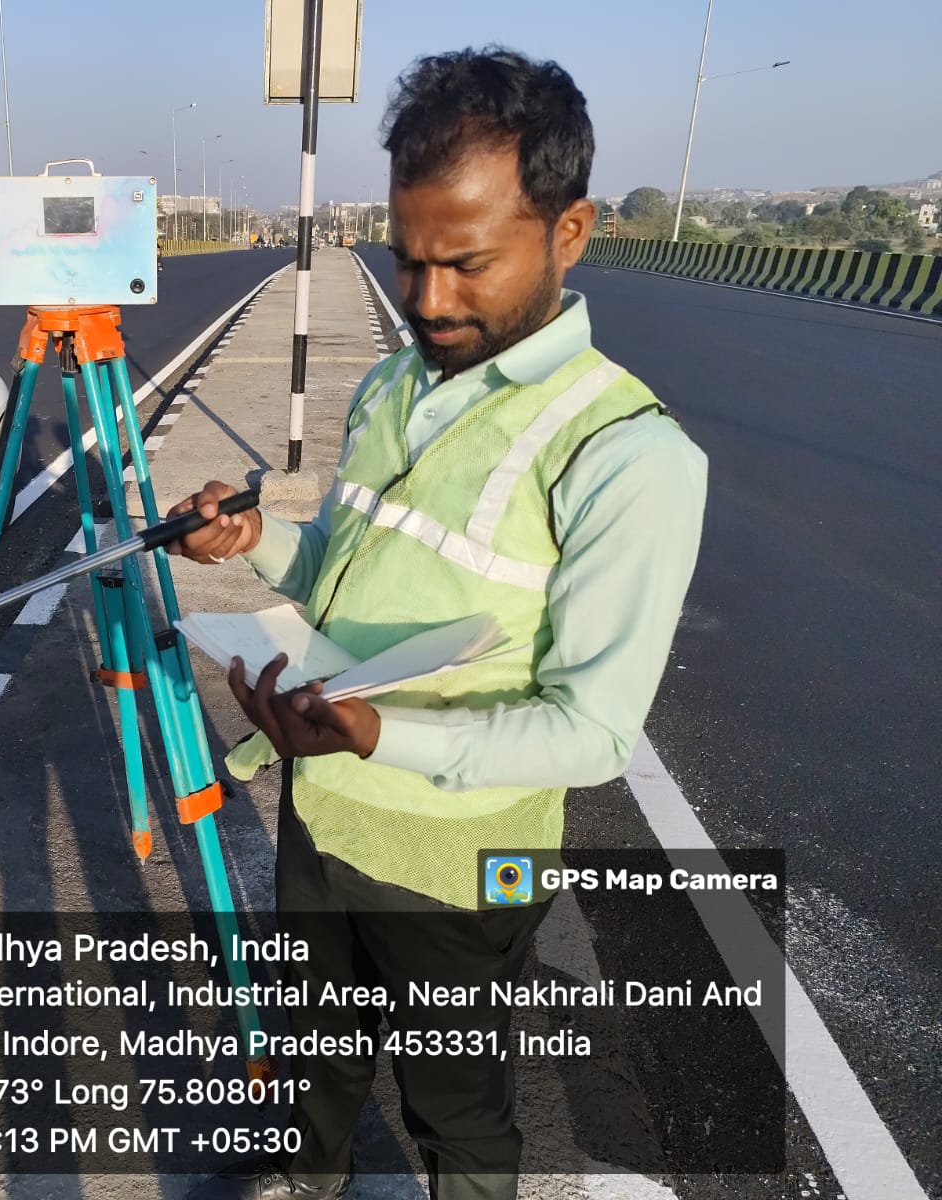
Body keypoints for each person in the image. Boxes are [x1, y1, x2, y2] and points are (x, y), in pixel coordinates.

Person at [171, 49, 707, 1200]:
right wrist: (253, 540)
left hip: (464, 865)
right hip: (324, 815)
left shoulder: (626, 455)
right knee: (316, 1053)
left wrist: (379, 733)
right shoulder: (392, 387)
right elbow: (341, 572)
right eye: (408, 260)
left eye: (465, 264)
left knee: (456, 1110)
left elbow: (591, 733)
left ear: (568, 232)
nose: (426, 301)